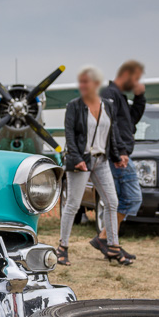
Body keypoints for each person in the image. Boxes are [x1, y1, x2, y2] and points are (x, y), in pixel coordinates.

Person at [56, 65, 131, 266]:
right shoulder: (74, 106)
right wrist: (77, 158)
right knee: (72, 204)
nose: (82, 85)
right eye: (80, 82)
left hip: (101, 161)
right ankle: (62, 248)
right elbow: (69, 135)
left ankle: (113, 247)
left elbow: (112, 133)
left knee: (112, 202)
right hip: (81, 162)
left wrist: (119, 154)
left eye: (85, 82)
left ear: (96, 84)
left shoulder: (108, 105)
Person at [96, 60, 146, 259]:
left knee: (119, 200)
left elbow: (131, 120)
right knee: (131, 198)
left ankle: (108, 240)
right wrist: (120, 152)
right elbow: (111, 125)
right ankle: (107, 239)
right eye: (136, 79)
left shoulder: (120, 97)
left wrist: (140, 97)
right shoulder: (109, 94)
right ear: (127, 75)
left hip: (120, 153)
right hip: (119, 155)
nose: (137, 83)